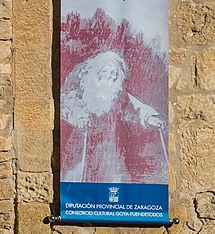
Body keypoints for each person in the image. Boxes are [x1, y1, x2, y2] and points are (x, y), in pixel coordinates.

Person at [61, 49, 167, 184]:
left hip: (108, 144)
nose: (111, 76)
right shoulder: (85, 89)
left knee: (110, 179)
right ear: (98, 73)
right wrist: (80, 117)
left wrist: (150, 118)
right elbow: (69, 104)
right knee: (81, 177)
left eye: (114, 73)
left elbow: (134, 107)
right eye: (106, 71)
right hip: (84, 140)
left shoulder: (117, 93)